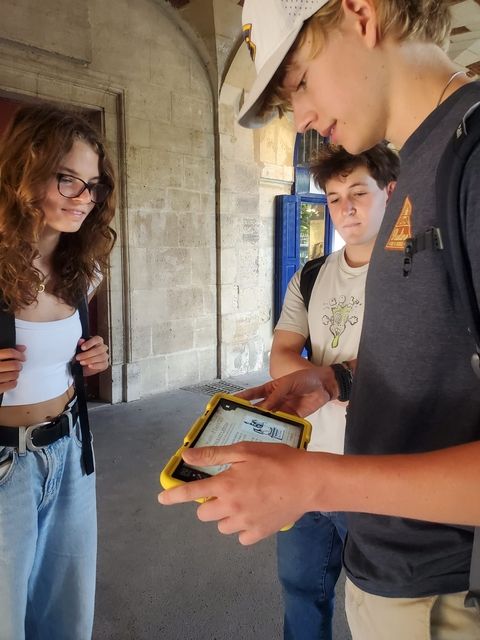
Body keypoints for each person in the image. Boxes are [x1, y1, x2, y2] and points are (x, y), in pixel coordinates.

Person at [159, 0, 480, 637]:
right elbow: (441, 361)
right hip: (388, 571)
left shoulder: (470, 160)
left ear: (362, 15)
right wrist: (334, 381)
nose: (301, 116)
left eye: (300, 81)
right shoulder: (420, 160)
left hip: (444, 595)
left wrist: (316, 484)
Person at [272, 142, 398, 640]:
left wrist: (330, 378)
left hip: (377, 470)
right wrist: (330, 383)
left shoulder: (414, 276)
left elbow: (416, 366)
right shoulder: (311, 274)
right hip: (307, 461)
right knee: (301, 594)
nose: (345, 207)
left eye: (359, 192)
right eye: (333, 196)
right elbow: (282, 355)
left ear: (391, 192)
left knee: (379, 610)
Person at [0, 104, 116, 639]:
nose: (83, 200)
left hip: (68, 451)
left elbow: (65, 355)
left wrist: (95, 357)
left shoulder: (81, 267)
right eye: (67, 179)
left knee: (67, 614)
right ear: (26, 171)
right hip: (6, 465)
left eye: (91, 186)